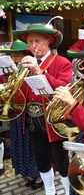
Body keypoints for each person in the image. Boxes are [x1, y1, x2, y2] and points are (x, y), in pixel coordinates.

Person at [12, 23, 73, 195]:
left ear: (48, 41)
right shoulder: (25, 65)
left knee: (61, 162)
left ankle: (67, 192)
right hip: (32, 119)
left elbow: (64, 87)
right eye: (30, 42)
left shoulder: (62, 62)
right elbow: (21, 94)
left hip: (54, 121)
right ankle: (50, 191)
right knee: (41, 160)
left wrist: (39, 71)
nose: (33, 46)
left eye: (37, 41)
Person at [0, 40, 42, 189]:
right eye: (12, 55)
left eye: (17, 55)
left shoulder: (31, 68)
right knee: (19, 144)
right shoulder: (8, 70)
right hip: (15, 112)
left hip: (27, 112)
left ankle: (38, 176)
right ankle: (29, 174)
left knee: (30, 145)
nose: (15, 58)